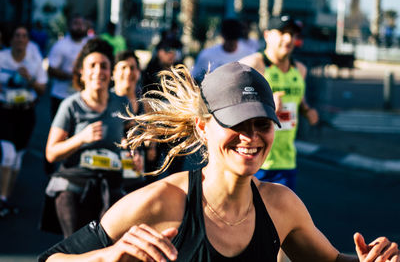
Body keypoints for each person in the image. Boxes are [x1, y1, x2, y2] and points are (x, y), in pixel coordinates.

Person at [38, 62, 399, 262]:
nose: (251, 137)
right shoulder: (160, 202)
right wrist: (108, 258)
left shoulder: (281, 206)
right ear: (202, 126)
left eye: (261, 124)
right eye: (236, 124)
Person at [40, 38, 130, 238]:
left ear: (111, 72)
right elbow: (51, 153)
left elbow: (128, 138)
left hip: (110, 180)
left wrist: (132, 151)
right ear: (81, 71)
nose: (98, 71)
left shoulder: (121, 103)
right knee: (76, 244)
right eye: (92, 66)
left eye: (104, 66)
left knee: (108, 243)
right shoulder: (70, 105)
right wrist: (81, 138)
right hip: (74, 182)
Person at [240, 15, 319, 192]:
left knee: (280, 219)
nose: (289, 39)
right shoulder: (252, 66)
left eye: (293, 34)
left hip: (286, 160)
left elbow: (300, 102)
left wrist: (308, 111)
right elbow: (234, 111)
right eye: (283, 32)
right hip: (255, 159)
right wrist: (267, 108)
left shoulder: (300, 69)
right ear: (267, 35)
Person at [0, 25, 48, 217]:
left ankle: (6, 198)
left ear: (28, 41)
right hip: (4, 111)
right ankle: (2, 200)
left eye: (24, 36)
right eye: (17, 36)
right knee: (8, 154)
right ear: (10, 40)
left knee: (17, 158)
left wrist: (29, 80)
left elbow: (42, 90)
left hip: (26, 113)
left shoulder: (34, 61)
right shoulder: (2, 58)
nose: (20, 39)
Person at [142, 37, 184, 175]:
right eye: (167, 50)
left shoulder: (181, 73)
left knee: (175, 169)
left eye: (175, 51)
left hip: (176, 127)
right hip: (155, 126)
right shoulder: (148, 74)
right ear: (159, 52)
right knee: (151, 168)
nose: (171, 53)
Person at [111, 50, 148, 192]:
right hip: (114, 168)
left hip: (139, 171)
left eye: (132, 68)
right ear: (113, 73)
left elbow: (150, 130)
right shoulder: (108, 100)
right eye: (123, 68)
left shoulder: (144, 102)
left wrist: (150, 143)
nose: (128, 72)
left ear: (138, 72)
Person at [47, 14, 89, 118]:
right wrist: (73, 76)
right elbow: (51, 70)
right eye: (76, 24)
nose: (79, 27)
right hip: (61, 96)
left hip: (82, 96)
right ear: (69, 26)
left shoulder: (89, 43)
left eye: (81, 24)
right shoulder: (60, 45)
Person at [191, 18, 256, 82]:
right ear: (222, 35)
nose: (231, 43)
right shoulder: (206, 56)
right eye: (228, 38)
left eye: (234, 38)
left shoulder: (250, 55)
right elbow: (194, 78)